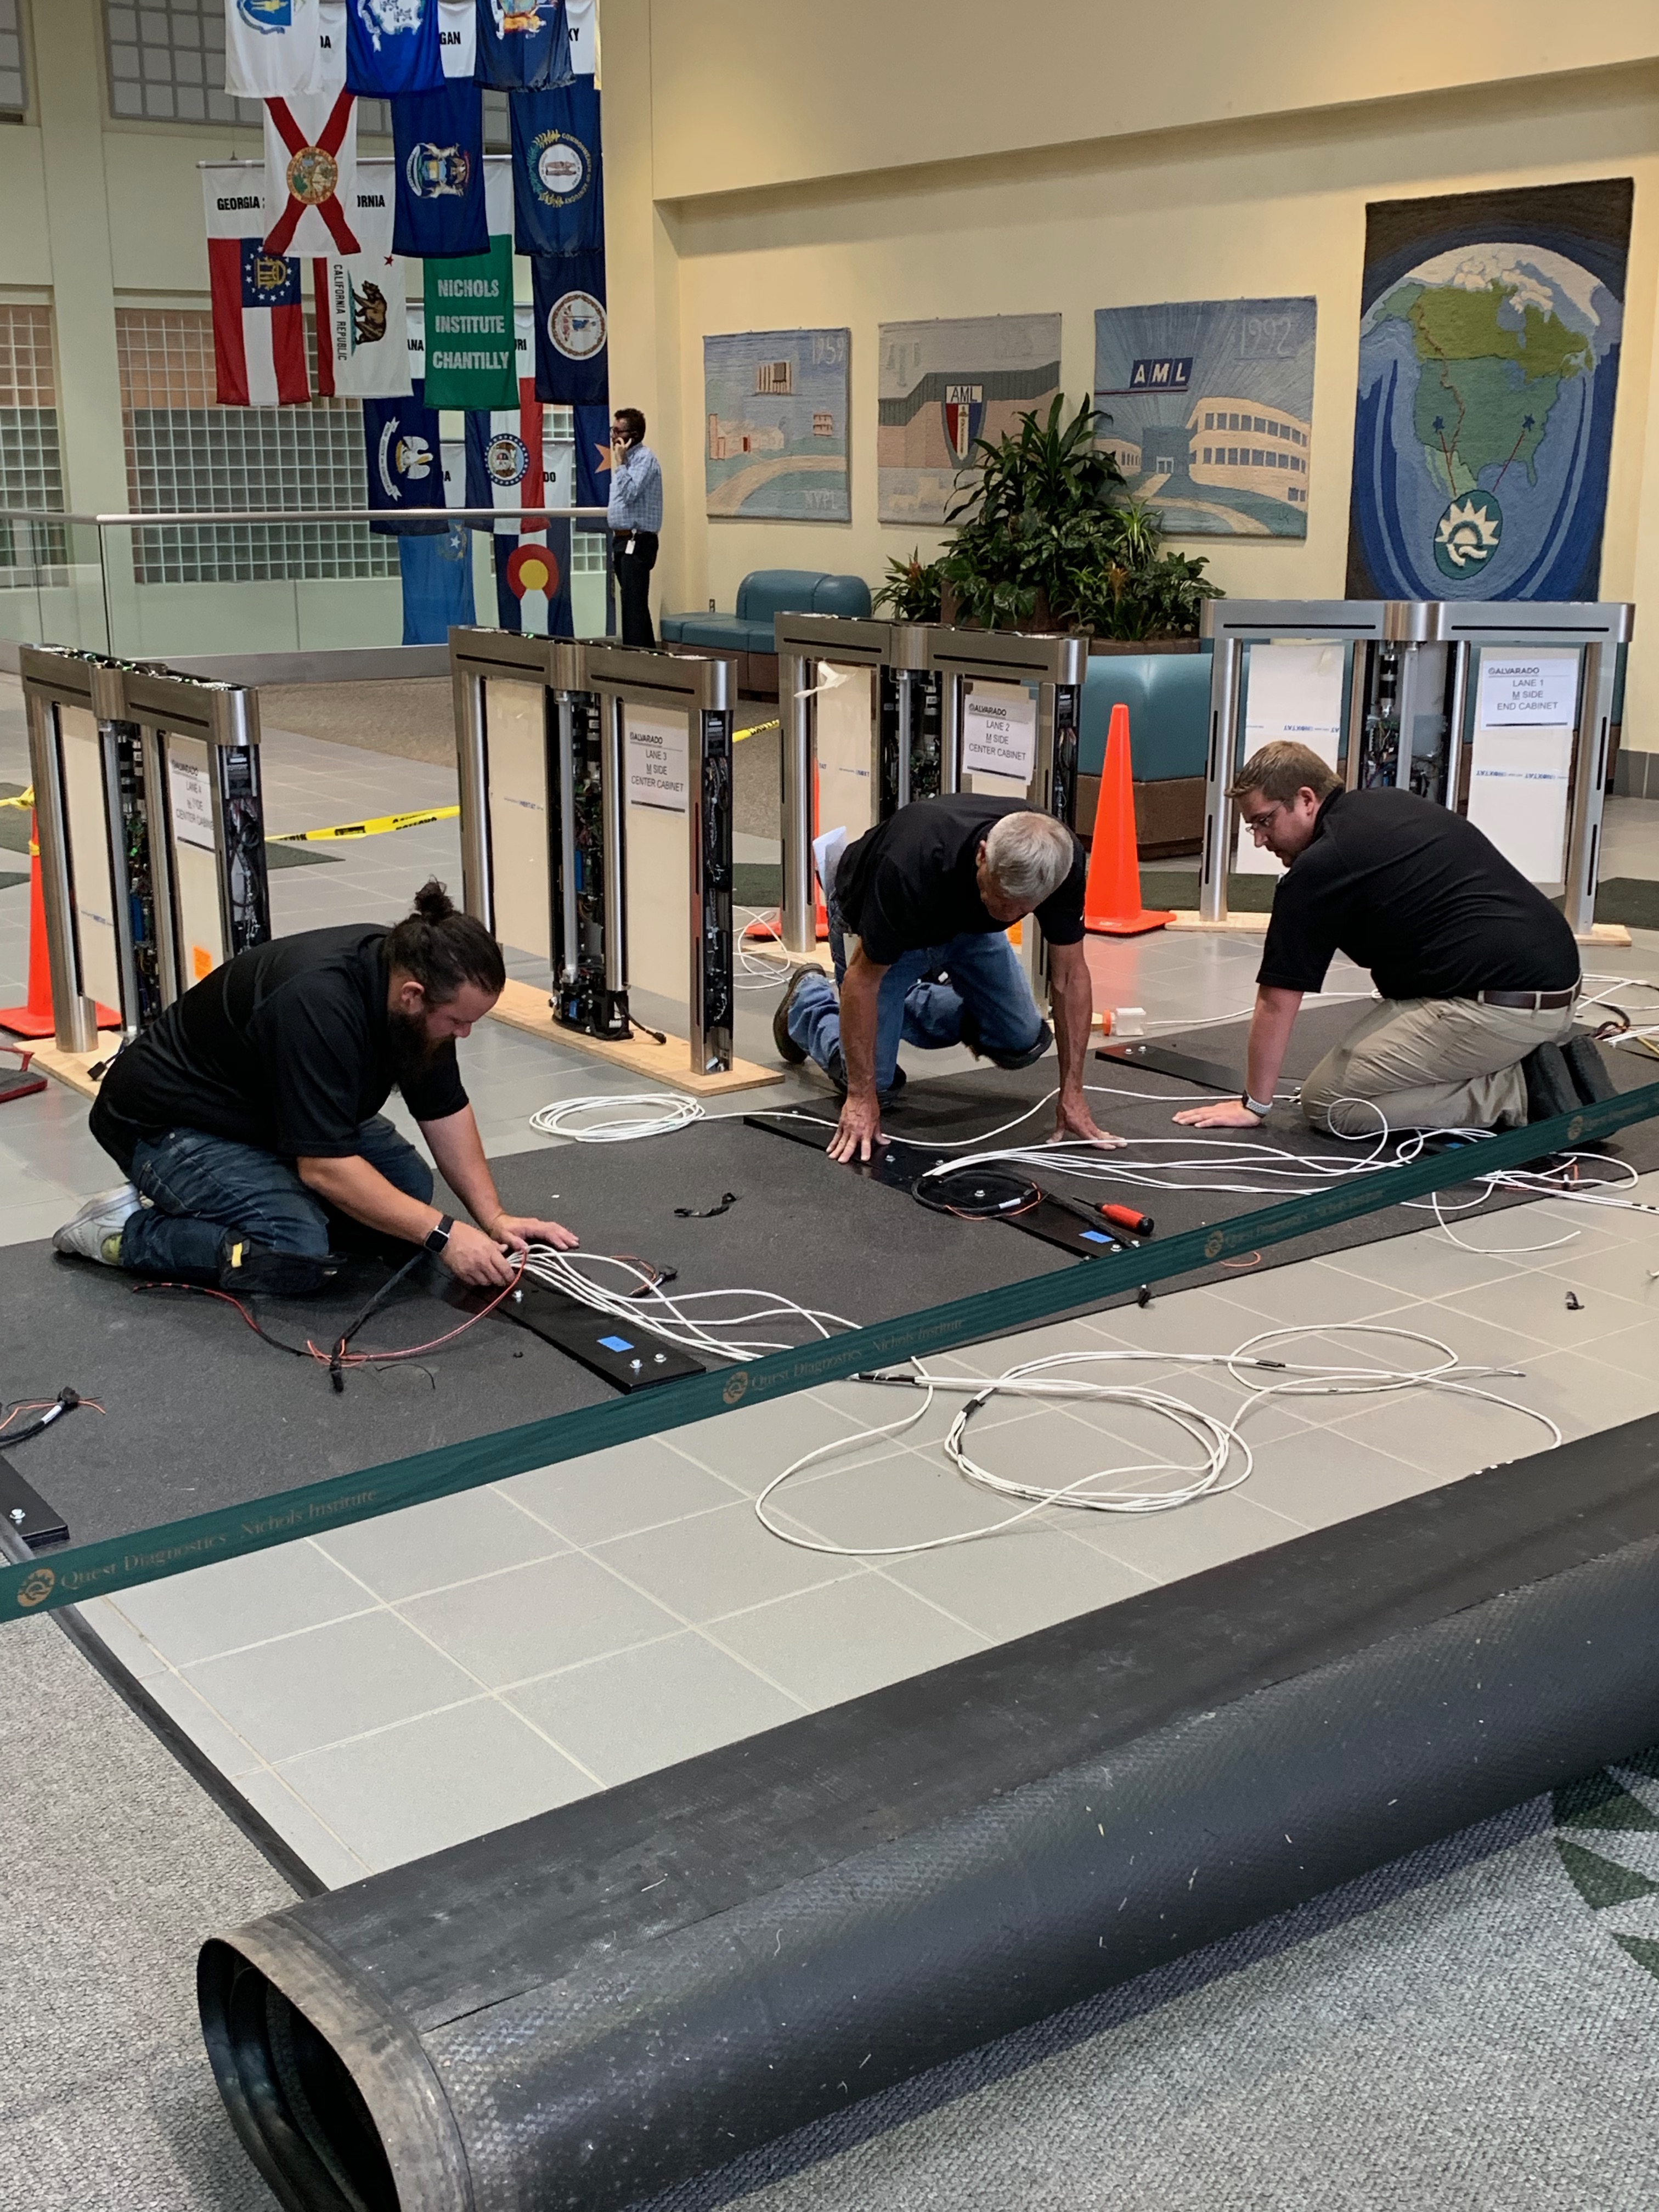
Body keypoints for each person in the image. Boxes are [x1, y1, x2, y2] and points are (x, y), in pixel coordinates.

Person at [54, 882, 577, 1292]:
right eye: (458, 1022)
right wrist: (445, 1234)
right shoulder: (318, 1003)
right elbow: (324, 1167)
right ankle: (126, 1232)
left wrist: (493, 1218)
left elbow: (444, 1108)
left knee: (409, 1196)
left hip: (262, 1108)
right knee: (294, 1251)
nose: (463, 1035)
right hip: (168, 1123)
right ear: (413, 996)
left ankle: (248, 1200)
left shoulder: (412, 985)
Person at [1172, 740, 1604, 1138]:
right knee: (1374, 1045)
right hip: (1557, 989)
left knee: (1329, 1103)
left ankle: (1519, 1091)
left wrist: (1256, 1104)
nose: (1260, 839)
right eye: (1253, 827)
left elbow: (1277, 1000)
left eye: (1264, 822)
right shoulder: (1389, 803)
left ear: (1306, 800)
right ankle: (1528, 1056)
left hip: (1497, 1010)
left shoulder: (1320, 869)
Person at [773, 794, 1121, 1163]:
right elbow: (864, 980)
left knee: (1021, 1040)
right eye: (1003, 899)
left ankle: (892, 1008)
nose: (1009, 914)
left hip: (969, 930)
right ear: (983, 855)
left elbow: (1070, 976)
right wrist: (860, 1098)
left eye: (1023, 909)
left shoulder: (1056, 861)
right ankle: (808, 1002)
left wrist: (1073, 1093)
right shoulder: (910, 863)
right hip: (880, 919)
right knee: (878, 1085)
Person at [607, 405, 662, 647]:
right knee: (631, 604)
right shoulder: (628, 462)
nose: (613, 436)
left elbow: (630, 493)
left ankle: (641, 659)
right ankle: (640, 656)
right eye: (613, 429)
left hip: (637, 541)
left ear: (634, 436)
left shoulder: (644, 459)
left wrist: (620, 464)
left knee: (635, 605)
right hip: (622, 541)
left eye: (618, 431)